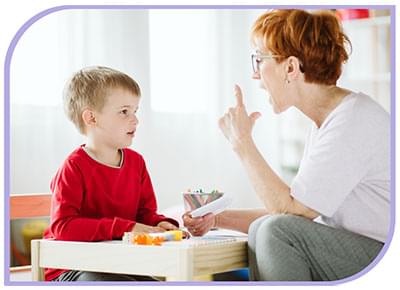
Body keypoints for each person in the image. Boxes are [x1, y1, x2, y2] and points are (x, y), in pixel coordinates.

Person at [183, 9, 390, 281]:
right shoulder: (328, 123)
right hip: (358, 251)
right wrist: (216, 219)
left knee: (273, 230)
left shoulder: (352, 121)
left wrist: (242, 143)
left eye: (259, 60)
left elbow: (290, 212)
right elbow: (299, 215)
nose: (255, 75)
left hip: (383, 257)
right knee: (263, 228)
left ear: (291, 68)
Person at [44, 66, 180, 281]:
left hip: (120, 263)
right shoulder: (73, 167)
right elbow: (64, 227)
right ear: (91, 118)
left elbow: (144, 214)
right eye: (124, 111)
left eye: (135, 111)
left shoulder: (136, 163)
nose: (135, 120)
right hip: (72, 268)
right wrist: (125, 227)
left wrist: (160, 224)